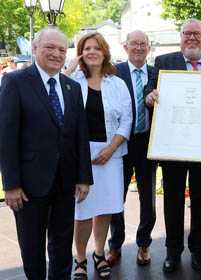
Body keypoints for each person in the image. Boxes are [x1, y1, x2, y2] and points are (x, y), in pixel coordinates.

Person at [0, 27, 93, 280]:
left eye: (62, 49)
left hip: (65, 182)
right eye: (49, 47)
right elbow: (6, 137)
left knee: (62, 245)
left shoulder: (72, 87)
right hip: (29, 186)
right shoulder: (15, 82)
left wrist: (84, 177)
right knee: (32, 247)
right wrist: (11, 185)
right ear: (34, 49)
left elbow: (80, 136)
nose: (56, 53)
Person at [146, 18, 201, 273]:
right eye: (187, 34)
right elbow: (150, 89)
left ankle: (198, 251)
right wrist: (149, 96)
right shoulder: (164, 62)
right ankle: (173, 252)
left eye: (197, 34)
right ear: (180, 36)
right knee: (172, 202)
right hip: (173, 147)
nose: (192, 38)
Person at [64, 32, 132, 279]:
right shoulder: (72, 81)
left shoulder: (117, 83)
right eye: (86, 48)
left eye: (97, 48)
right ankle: (80, 258)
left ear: (105, 52)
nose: (92, 51)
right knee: (82, 211)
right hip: (80, 156)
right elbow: (55, 98)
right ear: (81, 52)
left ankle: (99, 253)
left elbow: (127, 120)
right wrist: (69, 69)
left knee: (105, 209)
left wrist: (111, 149)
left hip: (110, 155)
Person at [106, 30, 158, 267]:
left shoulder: (159, 74)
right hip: (121, 143)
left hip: (149, 143)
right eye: (134, 44)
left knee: (148, 197)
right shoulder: (114, 72)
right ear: (125, 47)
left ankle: (144, 244)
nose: (138, 48)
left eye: (143, 44)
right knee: (117, 196)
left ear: (149, 48)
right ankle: (115, 244)